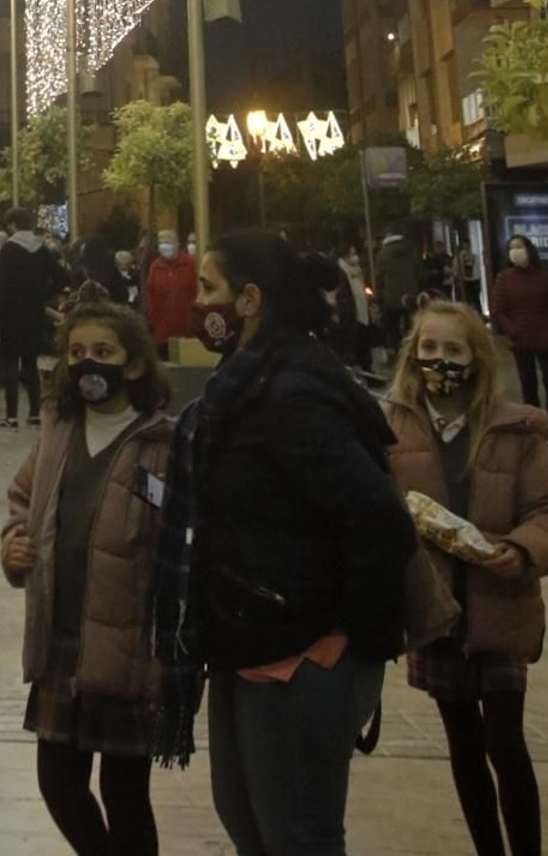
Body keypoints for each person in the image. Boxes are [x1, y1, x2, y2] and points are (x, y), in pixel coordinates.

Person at [153, 230, 416, 856]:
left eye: (209, 289)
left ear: (249, 300)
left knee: (296, 835)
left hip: (300, 654)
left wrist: (340, 636)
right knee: (248, 821)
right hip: (242, 640)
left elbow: (379, 517)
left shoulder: (291, 392)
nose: (199, 303)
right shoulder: (241, 383)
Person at [384, 300, 548, 856]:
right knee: (463, 743)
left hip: (501, 605)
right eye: (429, 349)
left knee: (505, 741)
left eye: (453, 350)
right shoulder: (391, 428)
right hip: (437, 612)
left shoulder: (516, 431)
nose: (440, 361)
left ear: (477, 360)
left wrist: (520, 552)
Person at [2, 302, 172, 856]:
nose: (87, 364)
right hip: (61, 634)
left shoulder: (160, 441)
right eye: (76, 353)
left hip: (127, 641)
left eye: (103, 352)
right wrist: (14, 543)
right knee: (58, 780)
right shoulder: (58, 431)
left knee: (125, 792)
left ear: (135, 364)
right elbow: (24, 498)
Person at [0, 209, 55, 429]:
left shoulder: (8, 250)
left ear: (12, 225)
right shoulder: (43, 250)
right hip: (35, 314)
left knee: (10, 362)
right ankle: (35, 412)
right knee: (31, 363)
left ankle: (11, 416)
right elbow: (60, 276)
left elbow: (0, 287)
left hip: (11, 314)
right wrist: (42, 295)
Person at [490, 233, 548, 417]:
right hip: (521, 340)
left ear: (529, 250)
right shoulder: (504, 278)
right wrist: (512, 331)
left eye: (519, 247)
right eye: (512, 248)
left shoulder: (546, 277)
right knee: (528, 384)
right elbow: (498, 311)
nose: (515, 251)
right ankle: (534, 418)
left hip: (546, 338)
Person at [143, 229, 196, 355]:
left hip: (188, 333)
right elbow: (151, 296)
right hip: (162, 333)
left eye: (168, 241)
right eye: (161, 242)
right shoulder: (155, 267)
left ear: (177, 244)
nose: (164, 245)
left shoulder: (190, 264)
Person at [377, 227, 425, 352]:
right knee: (412, 324)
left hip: (391, 296)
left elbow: (379, 277)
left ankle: (398, 351)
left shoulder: (383, 253)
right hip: (411, 295)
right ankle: (413, 348)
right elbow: (420, 271)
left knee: (392, 326)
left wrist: (379, 294)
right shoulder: (412, 249)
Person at [452, 238, 484, 316]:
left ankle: (479, 314)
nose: (467, 247)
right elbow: (455, 269)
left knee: (476, 299)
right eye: (465, 245)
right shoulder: (459, 258)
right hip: (464, 281)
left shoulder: (475, 257)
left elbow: (478, 269)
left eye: (468, 245)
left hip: (474, 280)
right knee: (466, 299)